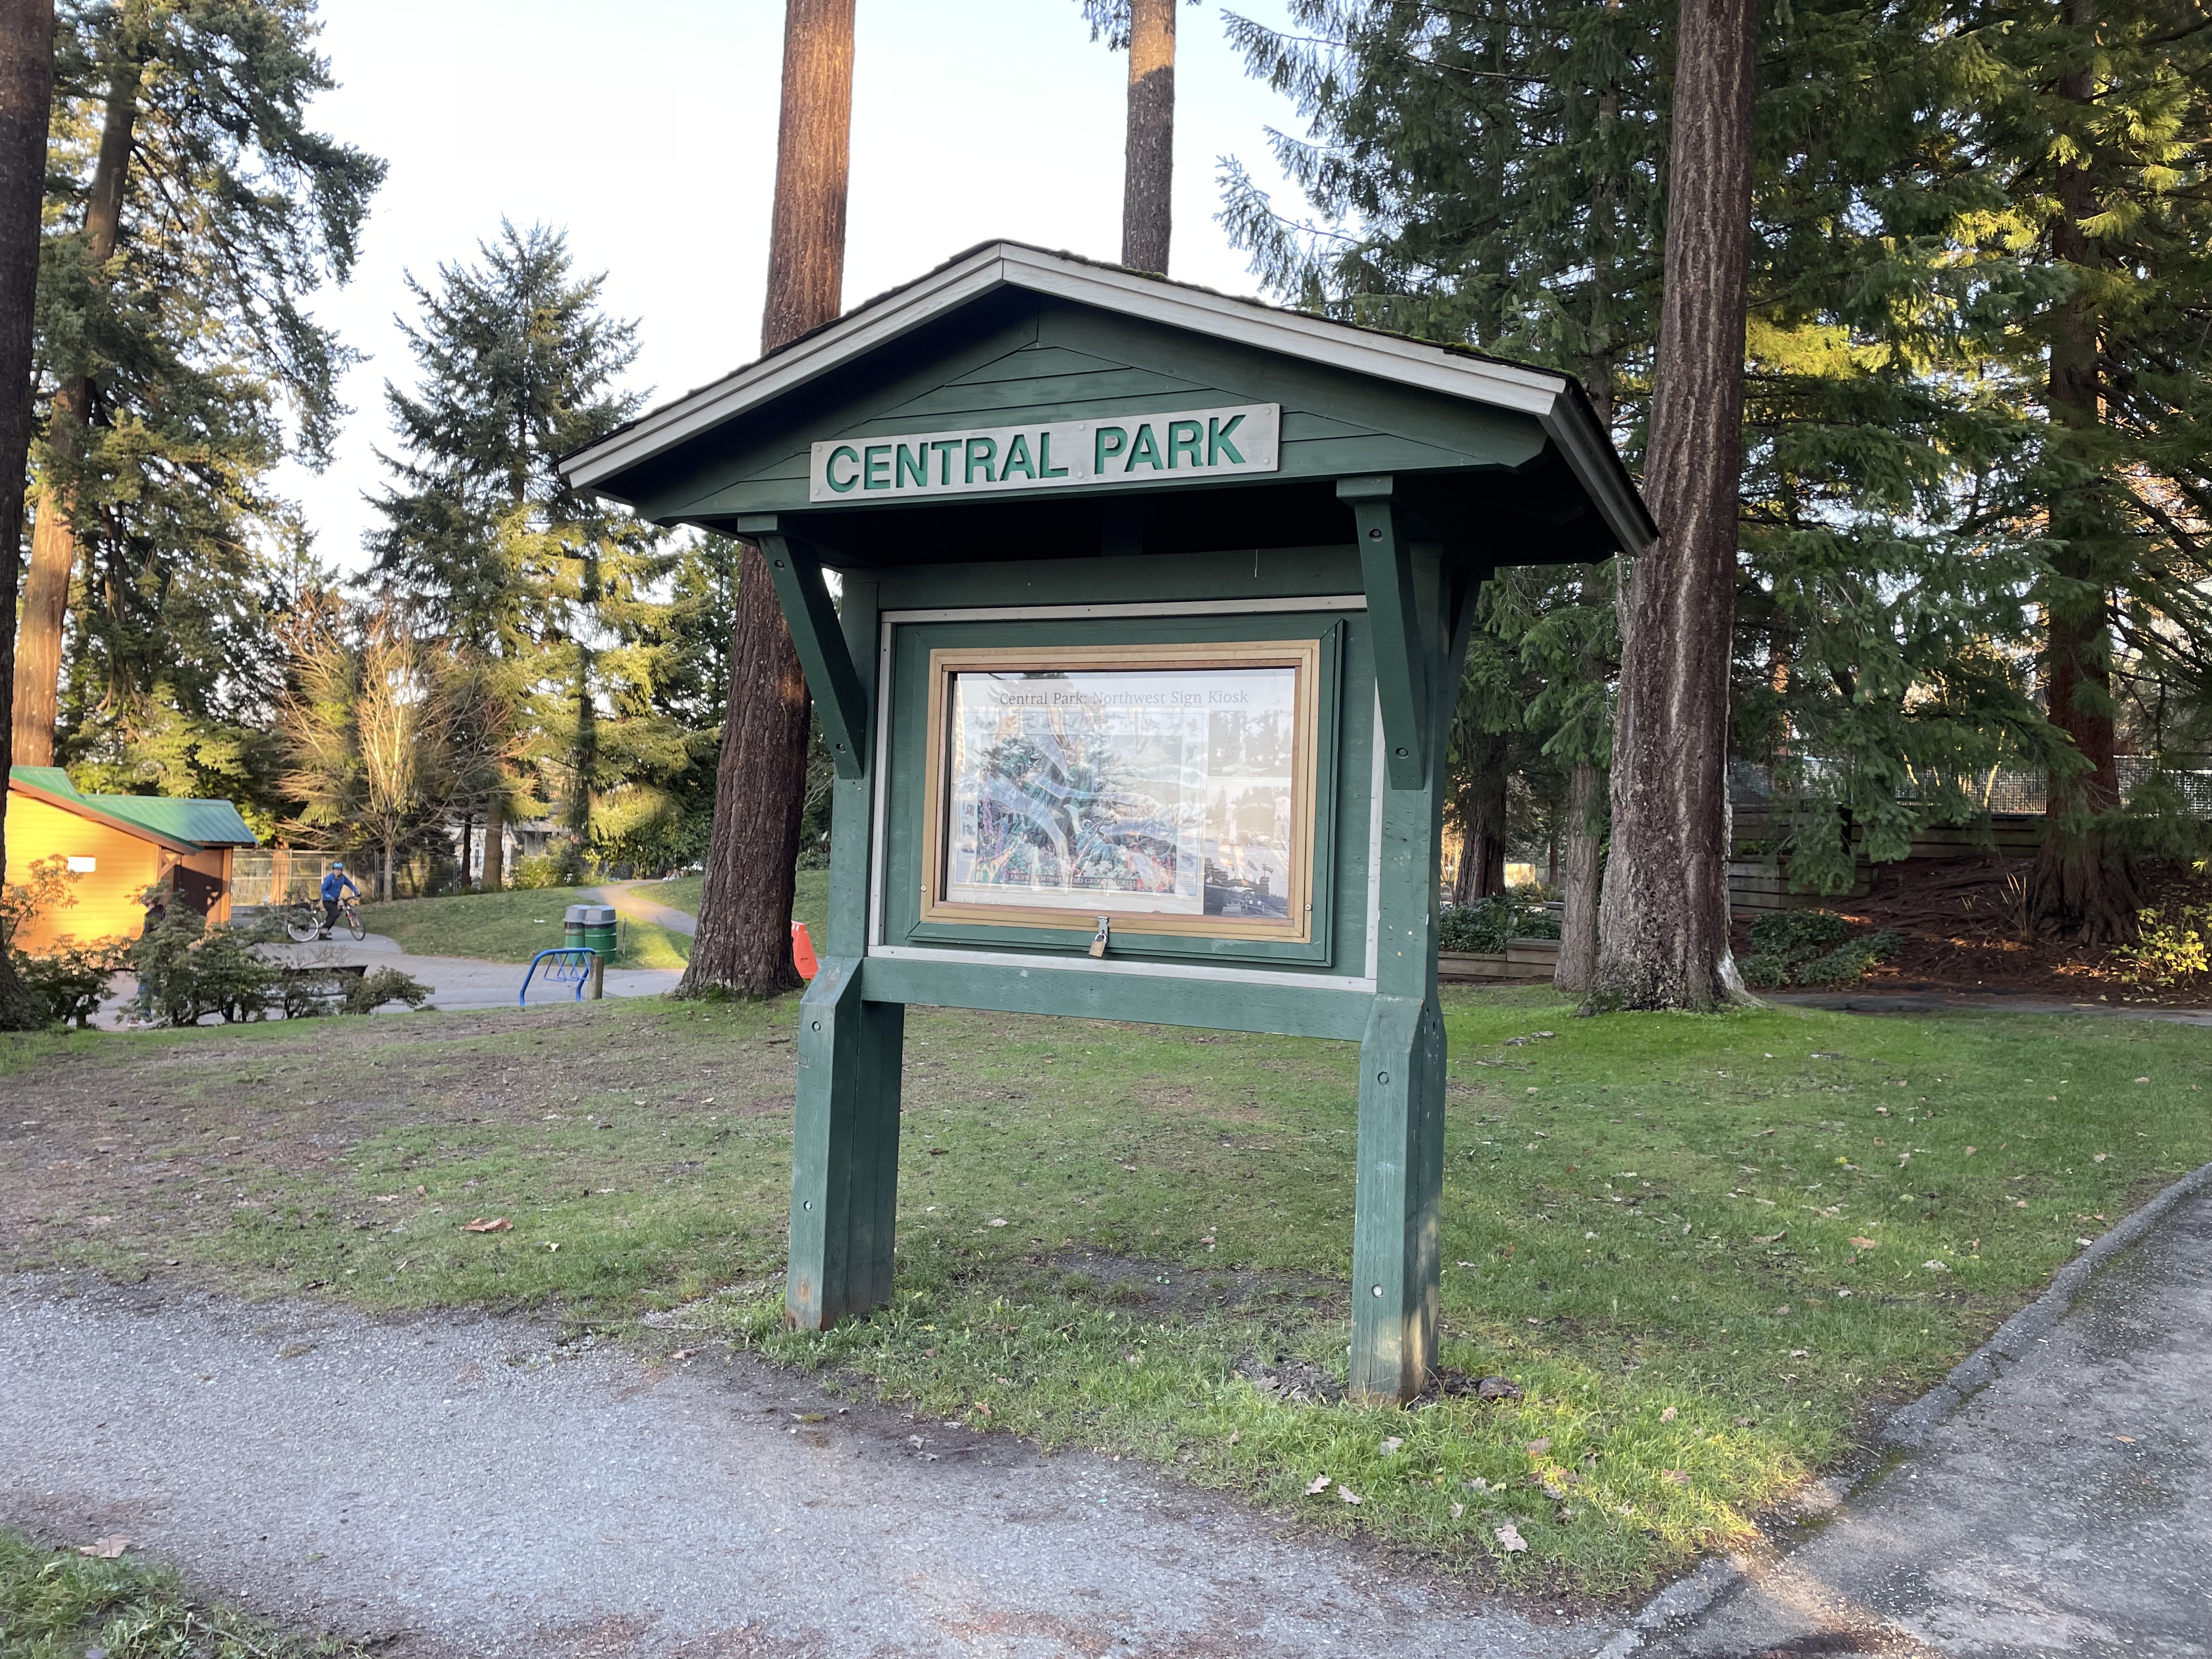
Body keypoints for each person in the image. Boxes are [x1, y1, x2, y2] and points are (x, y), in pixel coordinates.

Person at [319, 861, 362, 939]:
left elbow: (350, 884)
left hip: (335, 900)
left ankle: (323, 935)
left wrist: (357, 892)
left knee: (333, 916)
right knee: (335, 914)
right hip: (328, 901)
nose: (337, 872)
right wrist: (330, 896)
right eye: (336, 870)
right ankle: (324, 929)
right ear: (333, 870)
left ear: (341, 871)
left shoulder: (343, 878)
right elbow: (323, 890)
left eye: (339, 870)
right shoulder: (330, 878)